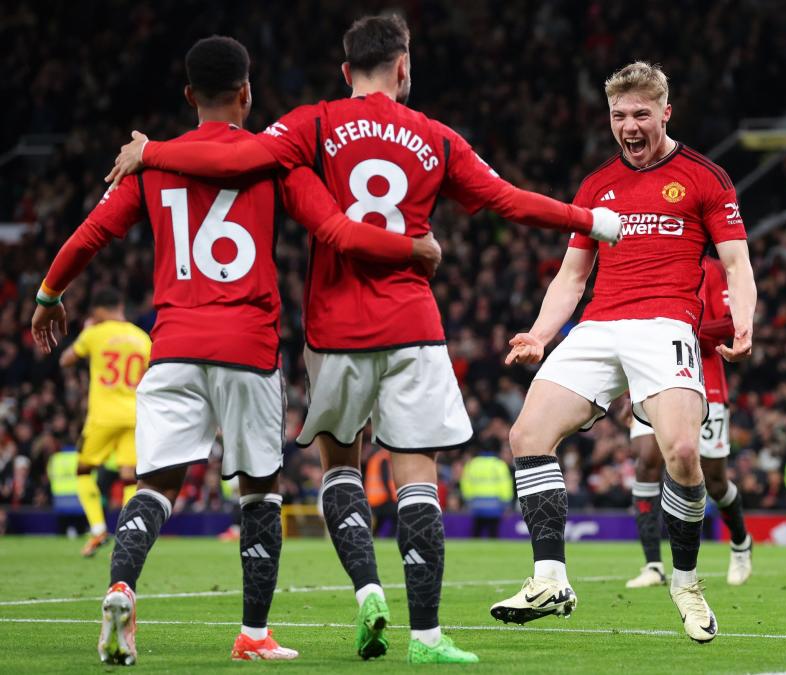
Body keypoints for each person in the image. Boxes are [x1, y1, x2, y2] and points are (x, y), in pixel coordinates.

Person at [105, 13, 622, 665]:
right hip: (413, 325)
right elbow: (507, 199)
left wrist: (152, 152)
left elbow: (234, 152)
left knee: (340, 466)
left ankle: (367, 589)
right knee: (417, 479)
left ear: (346, 70)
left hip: (334, 331)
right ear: (403, 67)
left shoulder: (311, 123)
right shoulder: (435, 136)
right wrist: (590, 219)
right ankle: (428, 638)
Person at [31, 35, 440, 666]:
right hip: (248, 347)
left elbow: (89, 235)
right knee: (260, 492)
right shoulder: (272, 160)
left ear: (190, 95)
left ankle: (120, 589)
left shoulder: (150, 165)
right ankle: (253, 634)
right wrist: (411, 249)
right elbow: (334, 228)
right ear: (246, 92)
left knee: (153, 485)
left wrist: (50, 294)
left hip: (172, 346)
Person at [491, 61, 756, 644]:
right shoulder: (597, 186)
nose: (629, 126)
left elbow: (736, 262)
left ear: (665, 112)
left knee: (684, 453)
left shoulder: (704, 177)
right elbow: (571, 275)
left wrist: (743, 322)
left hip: (665, 326)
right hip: (598, 326)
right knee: (526, 436)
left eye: (640, 114)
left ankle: (685, 583)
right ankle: (549, 578)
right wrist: (539, 333)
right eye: (618, 116)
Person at [626, 255, 753, 589]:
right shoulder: (652, 262)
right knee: (647, 463)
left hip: (703, 381)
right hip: (652, 379)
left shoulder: (712, 269)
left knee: (714, 480)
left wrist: (681, 328)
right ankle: (653, 565)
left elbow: (728, 324)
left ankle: (740, 542)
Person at [57, 289, 151, 557]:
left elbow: (65, 361)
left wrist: (86, 331)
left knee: (83, 470)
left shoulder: (95, 333)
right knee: (128, 477)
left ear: (98, 310)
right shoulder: (142, 338)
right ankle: (126, 535)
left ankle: (98, 530)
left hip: (103, 417)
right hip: (134, 416)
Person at [460, 443, 514, 538]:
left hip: (476, 503)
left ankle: (474, 551)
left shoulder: (472, 464)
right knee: (493, 532)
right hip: (495, 504)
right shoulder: (499, 464)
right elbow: (505, 484)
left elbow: (465, 482)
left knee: (476, 531)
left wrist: (468, 499)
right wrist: (506, 502)